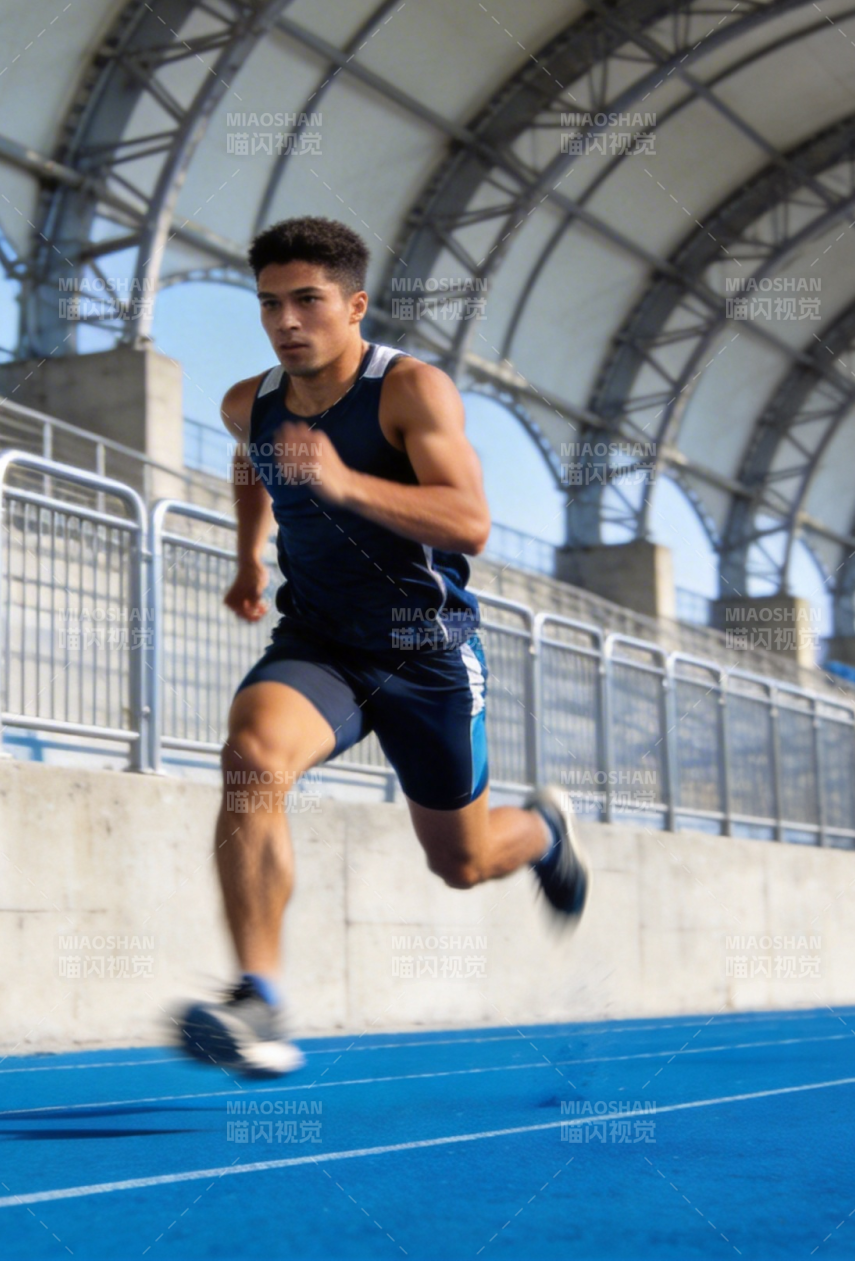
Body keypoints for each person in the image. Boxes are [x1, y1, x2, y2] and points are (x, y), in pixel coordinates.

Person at [174, 216, 588, 1078]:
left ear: (354, 305)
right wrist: (250, 554)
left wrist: (342, 481)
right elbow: (255, 462)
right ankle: (258, 996)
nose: (286, 321)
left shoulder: (411, 391)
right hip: (321, 639)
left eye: (307, 302)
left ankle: (543, 832)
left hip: (426, 652)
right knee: (251, 758)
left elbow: (469, 521)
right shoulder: (246, 403)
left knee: (463, 862)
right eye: (269, 304)